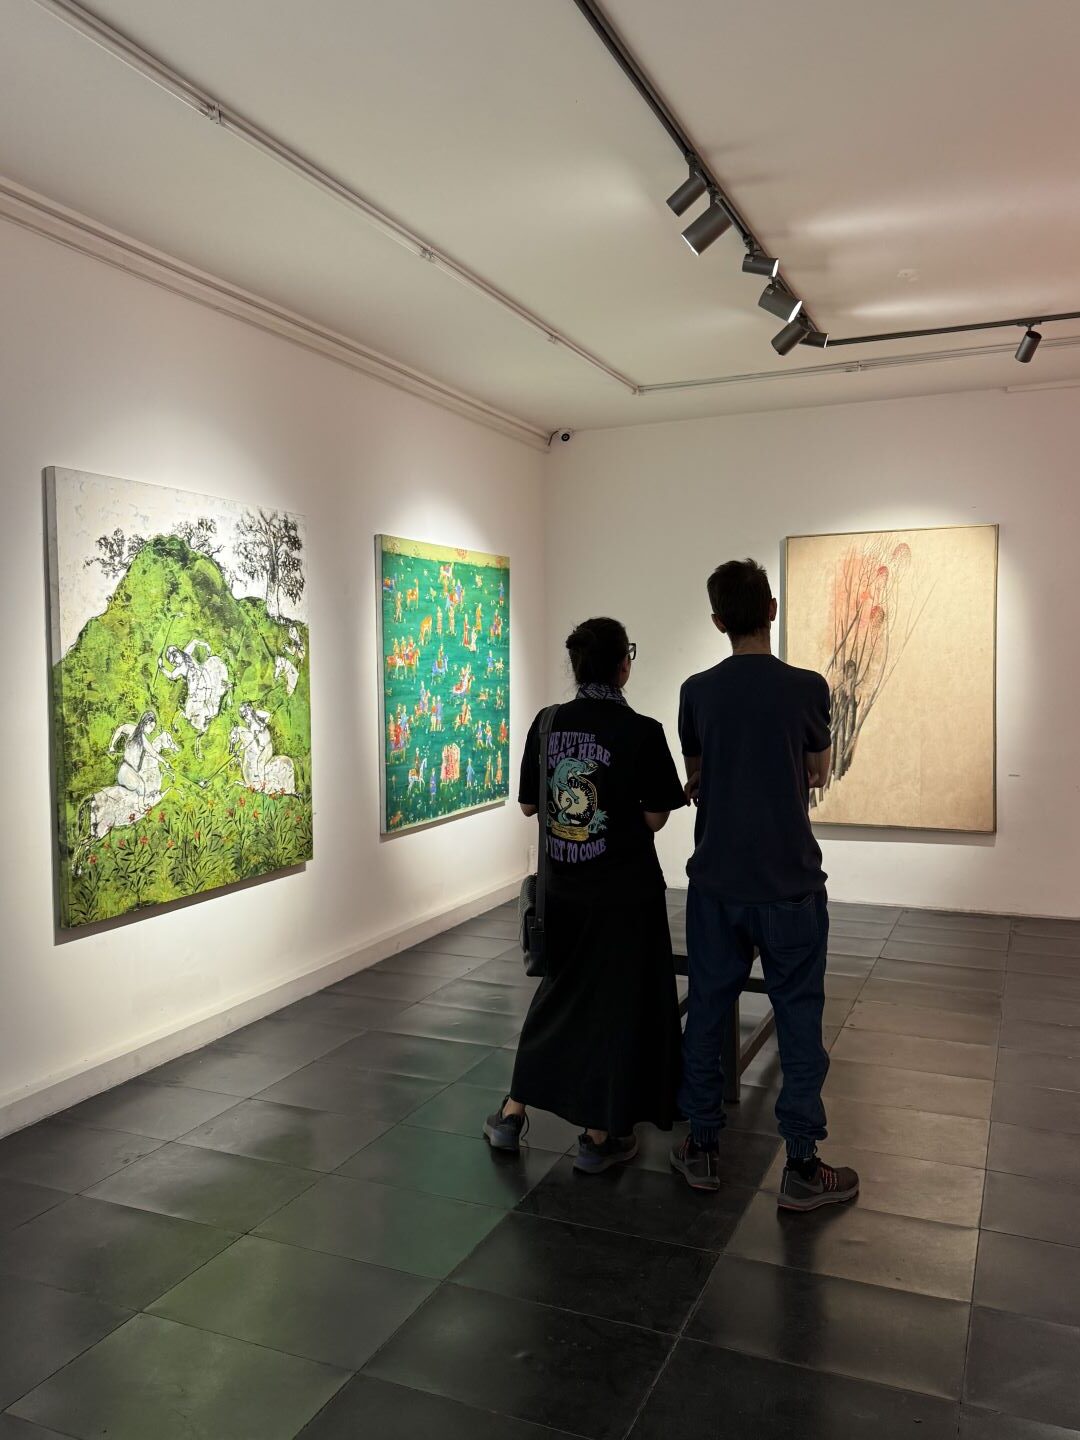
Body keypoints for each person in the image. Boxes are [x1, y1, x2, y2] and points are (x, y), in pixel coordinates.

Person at [671, 560, 858, 1210]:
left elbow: (697, 775)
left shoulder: (696, 691)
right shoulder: (807, 688)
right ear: (771, 609)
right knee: (799, 1019)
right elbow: (819, 772)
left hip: (717, 880)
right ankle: (801, 1166)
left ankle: (701, 1146)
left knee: (707, 1012)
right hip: (790, 882)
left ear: (717, 620)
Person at [484, 617, 687, 1173]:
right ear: (624, 666)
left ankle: (512, 1113)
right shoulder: (642, 731)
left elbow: (530, 805)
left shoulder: (547, 723)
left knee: (557, 995)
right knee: (614, 1008)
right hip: (624, 896)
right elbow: (655, 817)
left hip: (563, 892)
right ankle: (598, 1136)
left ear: (576, 667)